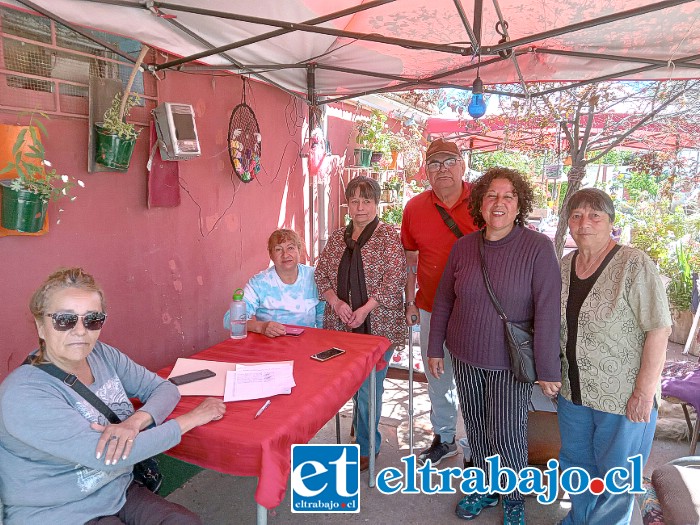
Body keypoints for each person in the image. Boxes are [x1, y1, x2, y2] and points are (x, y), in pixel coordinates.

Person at [0, 267, 226, 525]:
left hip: (117, 489)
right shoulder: (25, 394)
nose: (80, 331)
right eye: (65, 320)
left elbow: (164, 388)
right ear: (41, 326)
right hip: (58, 510)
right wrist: (192, 419)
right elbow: (106, 455)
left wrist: (134, 423)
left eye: (92, 319)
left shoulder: (102, 355)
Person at [428, 167, 561, 524]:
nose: (499, 203)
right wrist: (435, 347)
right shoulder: (464, 247)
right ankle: (484, 487)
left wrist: (548, 368)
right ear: (480, 203)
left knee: (508, 431)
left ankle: (513, 496)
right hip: (466, 354)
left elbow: (548, 311)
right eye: (491, 195)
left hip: (509, 362)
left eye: (508, 196)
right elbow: (443, 301)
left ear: (520, 205)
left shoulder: (537, 247)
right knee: (475, 425)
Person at [558, 188, 672, 525]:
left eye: (595, 215)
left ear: (611, 222)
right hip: (574, 392)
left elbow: (659, 329)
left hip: (622, 396)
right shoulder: (566, 264)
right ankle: (579, 519)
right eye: (576, 215)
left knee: (617, 477)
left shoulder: (634, 263)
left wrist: (643, 392)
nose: (584, 223)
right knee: (577, 467)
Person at [315, 176, 407, 472]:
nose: (360, 207)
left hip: (377, 326)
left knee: (370, 387)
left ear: (377, 203)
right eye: (354, 200)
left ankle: (367, 445)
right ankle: (359, 424)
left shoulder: (389, 237)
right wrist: (336, 303)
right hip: (342, 326)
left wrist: (365, 309)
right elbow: (321, 276)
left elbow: (394, 281)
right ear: (347, 204)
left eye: (367, 200)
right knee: (353, 384)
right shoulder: (336, 239)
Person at [401, 138, 478, 466]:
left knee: (476, 382)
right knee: (438, 377)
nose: (442, 169)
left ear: (462, 165)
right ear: (426, 171)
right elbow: (410, 259)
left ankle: (478, 445)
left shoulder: (483, 200)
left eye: (449, 161)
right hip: (431, 306)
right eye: (434, 163)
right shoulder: (415, 208)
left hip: (476, 312)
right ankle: (444, 438)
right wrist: (409, 301)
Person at [223, 229, 324, 337]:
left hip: (307, 343)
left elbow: (322, 318)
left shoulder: (314, 276)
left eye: (290, 248)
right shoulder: (259, 283)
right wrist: (261, 327)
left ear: (299, 251)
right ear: (271, 255)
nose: (285, 255)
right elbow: (229, 320)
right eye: (278, 249)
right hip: (271, 346)